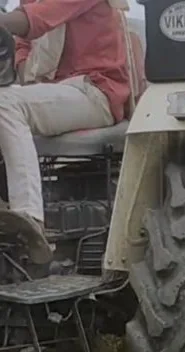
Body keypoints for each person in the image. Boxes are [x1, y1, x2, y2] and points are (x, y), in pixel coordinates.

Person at [0, 0, 130, 263]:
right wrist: (29, 77)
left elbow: (38, 19)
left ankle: (29, 222)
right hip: (53, 90)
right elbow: (23, 46)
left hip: (94, 90)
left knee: (4, 104)